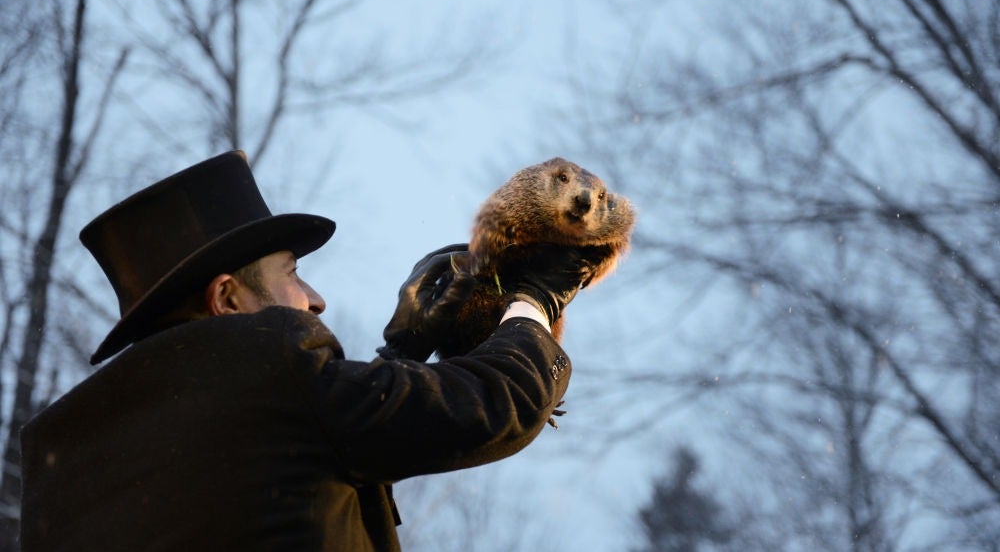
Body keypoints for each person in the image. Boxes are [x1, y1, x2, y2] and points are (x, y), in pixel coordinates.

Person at [18, 151, 596, 551]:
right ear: (229, 297)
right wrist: (534, 303)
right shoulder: (271, 362)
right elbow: (491, 405)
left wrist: (402, 357)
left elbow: (290, 465)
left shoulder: (61, 460)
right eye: (293, 273)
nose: (315, 301)